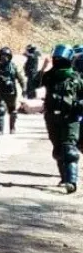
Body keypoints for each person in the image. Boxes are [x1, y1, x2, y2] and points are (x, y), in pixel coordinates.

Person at [41, 45, 83, 193]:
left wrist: (80, 103)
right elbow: (34, 83)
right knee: (58, 150)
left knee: (69, 149)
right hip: (52, 117)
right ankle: (64, 178)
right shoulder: (49, 76)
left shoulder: (76, 77)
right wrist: (43, 68)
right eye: (56, 59)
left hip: (70, 118)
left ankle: (71, 182)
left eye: (61, 60)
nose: (58, 62)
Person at [0, 46, 26, 135]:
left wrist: (24, 89)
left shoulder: (13, 67)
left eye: (6, 55)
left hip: (12, 93)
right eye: (2, 55)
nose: (4, 57)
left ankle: (12, 128)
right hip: (0, 93)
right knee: (0, 110)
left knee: (12, 111)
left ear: (10, 56)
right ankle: (0, 130)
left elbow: (21, 79)